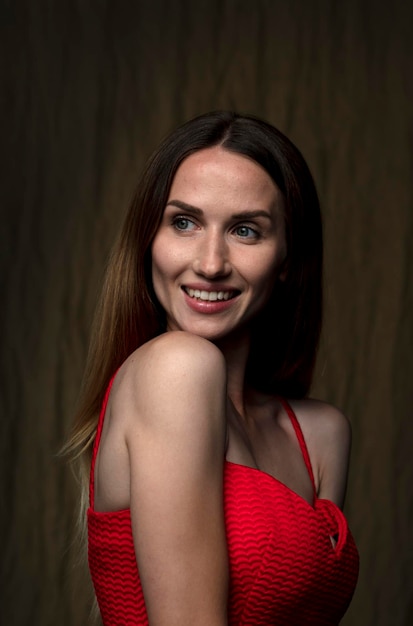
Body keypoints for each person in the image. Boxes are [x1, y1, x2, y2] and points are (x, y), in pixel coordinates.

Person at [64, 110, 359, 625]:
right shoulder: (176, 369)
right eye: (184, 222)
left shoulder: (322, 435)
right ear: (147, 240)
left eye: (246, 230)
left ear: (287, 257)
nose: (210, 262)